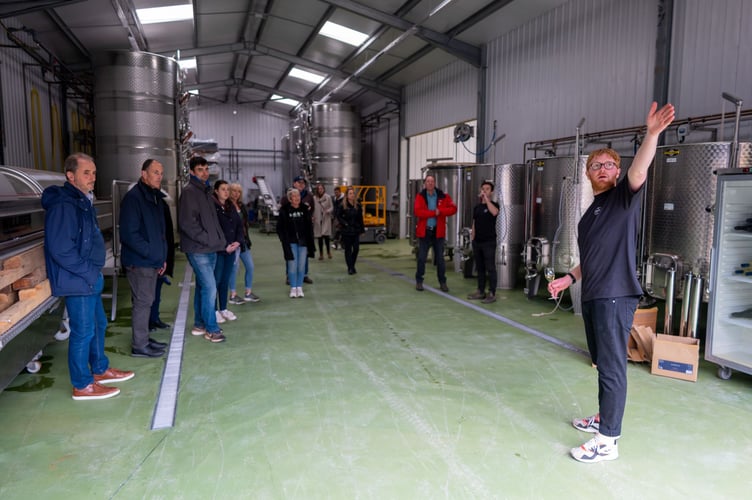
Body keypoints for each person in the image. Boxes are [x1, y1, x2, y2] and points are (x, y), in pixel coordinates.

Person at [548, 101, 675, 463]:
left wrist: (651, 135)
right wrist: (568, 278)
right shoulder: (590, 215)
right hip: (593, 296)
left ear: (617, 171)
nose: (602, 169)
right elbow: (590, 259)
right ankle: (603, 417)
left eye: (609, 164)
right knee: (603, 363)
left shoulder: (623, 199)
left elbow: (640, 169)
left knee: (613, 367)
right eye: (596, 165)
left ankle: (608, 440)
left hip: (615, 295)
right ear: (588, 173)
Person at [42, 152, 134, 400]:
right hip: (77, 278)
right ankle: (82, 385)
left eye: (94, 173)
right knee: (83, 331)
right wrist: (88, 272)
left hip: (88, 276)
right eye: (86, 173)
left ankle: (100, 369)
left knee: (98, 325)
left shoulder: (82, 200)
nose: (92, 177)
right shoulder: (64, 205)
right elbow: (60, 248)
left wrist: (93, 272)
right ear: (70, 176)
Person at [119, 159, 169, 358]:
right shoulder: (134, 198)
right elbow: (129, 235)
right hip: (139, 261)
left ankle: (144, 339)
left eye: (161, 173)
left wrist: (161, 257)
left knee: (147, 301)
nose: (159, 176)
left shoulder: (154, 197)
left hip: (151, 260)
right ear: (144, 174)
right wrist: (152, 253)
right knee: (143, 302)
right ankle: (139, 345)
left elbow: (159, 232)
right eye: (155, 172)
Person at [178, 156, 227, 343]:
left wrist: (218, 240)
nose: (205, 173)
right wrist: (208, 239)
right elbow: (187, 224)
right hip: (198, 249)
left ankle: (199, 324)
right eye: (200, 169)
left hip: (210, 248)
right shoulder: (190, 192)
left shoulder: (205, 191)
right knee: (210, 287)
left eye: (206, 169)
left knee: (202, 286)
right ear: (192, 172)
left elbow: (212, 221)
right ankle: (211, 329)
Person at [414, 174, 457, 292]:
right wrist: (433, 213)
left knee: (440, 259)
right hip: (425, 232)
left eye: (432, 181)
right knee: (422, 258)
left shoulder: (443, 196)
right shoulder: (420, 196)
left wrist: (441, 211)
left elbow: (453, 208)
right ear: (425, 183)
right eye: (428, 181)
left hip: (438, 232)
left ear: (435, 183)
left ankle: (443, 282)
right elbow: (418, 212)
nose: (430, 183)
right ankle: (419, 281)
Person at [212, 180, 242, 324]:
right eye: (223, 189)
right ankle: (214, 310)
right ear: (216, 191)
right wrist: (224, 246)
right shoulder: (212, 207)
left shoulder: (231, 206)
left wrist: (238, 241)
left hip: (231, 250)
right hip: (219, 250)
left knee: (225, 281)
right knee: (215, 281)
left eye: (227, 189)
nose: (226, 192)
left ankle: (223, 308)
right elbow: (213, 229)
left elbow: (239, 225)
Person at [277, 188, 315, 298]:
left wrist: (310, 240)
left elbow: (309, 226)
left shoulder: (305, 209)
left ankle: (299, 287)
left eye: (298, 196)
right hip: (290, 242)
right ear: (290, 198)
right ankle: (293, 288)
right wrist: (283, 239)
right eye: (294, 196)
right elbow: (280, 228)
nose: (297, 198)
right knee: (292, 265)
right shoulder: (284, 210)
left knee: (301, 266)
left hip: (303, 242)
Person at [467, 181, 500, 304]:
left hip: (489, 242)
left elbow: (494, 212)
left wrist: (486, 200)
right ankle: (480, 291)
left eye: (487, 189)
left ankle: (492, 293)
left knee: (490, 268)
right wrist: (473, 237)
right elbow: (474, 222)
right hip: (477, 242)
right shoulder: (477, 208)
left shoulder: (494, 205)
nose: (484, 191)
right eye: (483, 189)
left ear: (491, 192)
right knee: (480, 268)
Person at [228, 183, 260, 304]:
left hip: (243, 241)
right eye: (234, 191)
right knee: (234, 269)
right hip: (233, 242)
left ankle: (248, 292)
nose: (236, 194)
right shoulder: (226, 206)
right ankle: (233, 294)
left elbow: (245, 224)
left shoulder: (241, 206)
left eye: (239, 192)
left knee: (250, 266)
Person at [149, 192, 175, 332]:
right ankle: (147, 323)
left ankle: (154, 318)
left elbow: (166, 232)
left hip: (160, 254)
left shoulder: (161, 204)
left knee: (157, 289)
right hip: (149, 256)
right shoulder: (139, 204)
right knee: (145, 295)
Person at [336, 186, 365, 275]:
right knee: (348, 250)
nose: (352, 195)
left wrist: (362, 230)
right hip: (346, 230)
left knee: (356, 249)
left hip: (355, 230)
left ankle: (352, 265)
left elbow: (360, 218)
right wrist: (344, 223)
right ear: (347, 195)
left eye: (353, 193)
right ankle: (350, 268)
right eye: (350, 193)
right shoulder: (342, 205)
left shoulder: (358, 206)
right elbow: (338, 216)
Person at [312, 183, 334, 260]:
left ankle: (328, 252)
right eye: (319, 189)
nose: (320, 190)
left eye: (321, 188)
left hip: (326, 218)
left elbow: (332, 207)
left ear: (324, 189)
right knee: (319, 238)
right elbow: (313, 208)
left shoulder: (328, 197)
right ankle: (321, 254)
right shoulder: (314, 198)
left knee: (326, 237)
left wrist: (328, 211)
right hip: (318, 219)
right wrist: (312, 216)